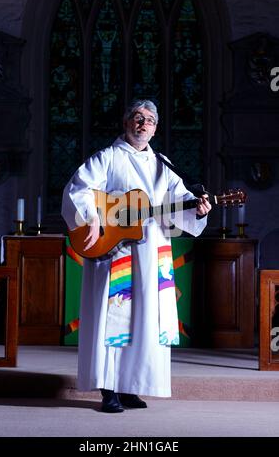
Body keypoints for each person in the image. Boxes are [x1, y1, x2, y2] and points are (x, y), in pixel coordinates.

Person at [61, 99, 211, 413]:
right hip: (117, 251)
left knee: (146, 320)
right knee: (116, 321)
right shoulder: (108, 157)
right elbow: (79, 188)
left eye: (150, 120)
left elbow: (181, 197)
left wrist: (197, 207)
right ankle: (109, 389)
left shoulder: (163, 164)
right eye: (137, 118)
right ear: (126, 122)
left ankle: (132, 386)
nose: (143, 124)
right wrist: (92, 217)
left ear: (155, 129)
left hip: (153, 250)